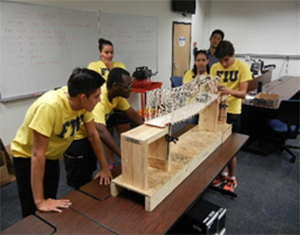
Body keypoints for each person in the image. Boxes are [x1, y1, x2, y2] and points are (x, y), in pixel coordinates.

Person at [11, 68, 112, 218]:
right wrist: (39, 202)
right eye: (97, 96)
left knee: (51, 202)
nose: (100, 100)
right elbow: (37, 154)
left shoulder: (84, 105)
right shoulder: (49, 107)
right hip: (27, 158)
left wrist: (105, 168)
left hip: (51, 156)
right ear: (83, 97)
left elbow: (92, 135)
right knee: (33, 209)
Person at [64, 67, 143, 189]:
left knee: (90, 170)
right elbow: (101, 131)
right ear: (116, 86)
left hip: (90, 134)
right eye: (127, 86)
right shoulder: (98, 100)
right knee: (80, 179)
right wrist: (124, 157)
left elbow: (131, 113)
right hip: (77, 138)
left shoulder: (117, 96)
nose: (130, 89)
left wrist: (148, 128)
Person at [210, 40, 252, 192]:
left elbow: (243, 94)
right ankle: (222, 173)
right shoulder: (214, 67)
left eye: (226, 60)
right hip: (217, 111)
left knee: (230, 148)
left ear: (233, 54)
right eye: (221, 61)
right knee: (219, 146)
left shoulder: (242, 67)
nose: (224, 64)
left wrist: (229, 91)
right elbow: (213, 88)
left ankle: (232, 178)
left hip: (233, 111)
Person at [88, 38, 130, 170]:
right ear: (100, 53)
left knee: (124, 133)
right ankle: (111, 161)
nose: (109, 55)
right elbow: (101, 85)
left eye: (111, 52)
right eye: (106, 52)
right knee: (108, 134)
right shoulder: (93, 66)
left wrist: (111, 68)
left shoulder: (119, 65)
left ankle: (127, 156)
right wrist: (111, 73)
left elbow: (121, 81)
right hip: (104, 104)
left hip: (119, 102)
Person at [183, 50, 210, 125]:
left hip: (205, 105)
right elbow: (186, 88)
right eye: (198, 60)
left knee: (204, 125)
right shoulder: (189, 73)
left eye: (203, 60)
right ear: (195, 62)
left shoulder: (210, 74)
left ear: (207, 61)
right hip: (192, 105)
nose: (201, 63)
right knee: (190, 125)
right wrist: (197, 77)